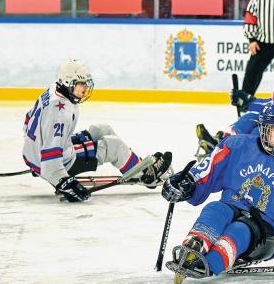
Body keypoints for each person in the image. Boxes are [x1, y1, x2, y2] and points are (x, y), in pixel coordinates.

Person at [163, 103, 274, 284]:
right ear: (263, 130)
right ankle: (194, 246)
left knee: (239, 229)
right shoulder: (236, 145)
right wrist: (186, 183)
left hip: (267, 229)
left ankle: (209, 263)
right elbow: (206, 171)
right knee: (214, 208)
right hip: (232, 206)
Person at [22, 59, 172, 202]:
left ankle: (135, 164)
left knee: (102, 129)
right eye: (81, 83)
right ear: (68, 83)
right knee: (114, 146)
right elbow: (50, 157)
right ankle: (147, 176)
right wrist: (63, 183)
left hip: (34, 156)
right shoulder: (61, 114)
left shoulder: (52, 91)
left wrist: (35, 154)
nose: (86, 87)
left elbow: (28, 121)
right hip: (58, 164)